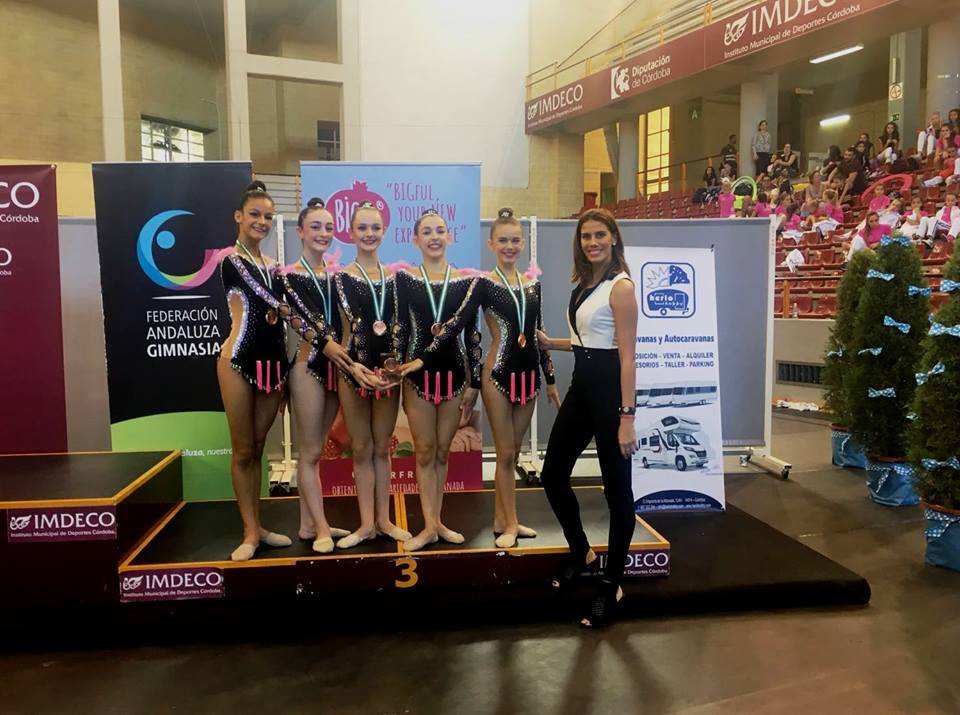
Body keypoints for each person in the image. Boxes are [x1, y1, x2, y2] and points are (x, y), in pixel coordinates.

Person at [412, 208, 559, 548]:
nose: (509, 246)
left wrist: (550, 378)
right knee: (504, 453)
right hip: (497, 374)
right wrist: (435, 363)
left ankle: (503, 519)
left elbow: (538, 334)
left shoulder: (533, 285)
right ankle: (509, 523)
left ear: (523, 243)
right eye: (502, 240)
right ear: (491, 244)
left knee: (514, 453)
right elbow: (462, 326)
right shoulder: (483, 284)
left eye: (515, 240)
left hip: (529, 377)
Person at [536, 208, 638, 629]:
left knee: (618, 492)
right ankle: (582, 552)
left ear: (613, 237)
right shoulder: (585, 284)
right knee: (552, 474)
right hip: (582, 389)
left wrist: (627, 416)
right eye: (585, 236)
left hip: (612, 396)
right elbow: (588, 341)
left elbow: (627, 356)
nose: (592, 242)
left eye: (599, 235)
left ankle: (612, 584)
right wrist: (551, 343)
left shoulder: (621, 287)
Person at [393, 209, 482, 551]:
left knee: (443, 452)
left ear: (450, 236)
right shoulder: (405, 280)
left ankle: (437, 521)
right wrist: (396, 366)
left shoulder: (466, 282)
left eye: (440, 231)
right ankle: (429, 525)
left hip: (455, 376)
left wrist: (474, 383)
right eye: (427, 232)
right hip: (417, 377)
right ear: (415, 239)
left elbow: (472, 336)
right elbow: (401, 328)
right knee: (425, 450)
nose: (434, 237)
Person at [217, 181, 292, 562]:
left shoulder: (274, 267)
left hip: (272, 364)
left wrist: (287, 373)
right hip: (237, 359)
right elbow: (276, 305)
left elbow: (284, 320)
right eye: (255, 215)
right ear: (239, 217)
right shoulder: (232, 261)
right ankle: (249, 531)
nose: (262, 222)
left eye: (267, 216)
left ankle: (259, 526)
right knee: (243, 449)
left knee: (260, 448)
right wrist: (291, 309)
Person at [278, 198, 356, 554]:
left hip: (335, 367)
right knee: (308, 451)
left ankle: (308, 524)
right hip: (307, 365)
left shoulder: (338, 277)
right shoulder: (287, 276)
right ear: (300, 232)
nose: (323, 233)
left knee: (318, 450)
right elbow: (299, 320)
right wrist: (330, 347)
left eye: (328, 227)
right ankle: (322, 527)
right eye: (315, 227)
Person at [333, 201, 411, 549]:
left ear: (384, 231)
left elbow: (403, 327)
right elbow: (337, 332)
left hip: (388, 376)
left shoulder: (397, 280)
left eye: (375, 228)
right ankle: (365, 524)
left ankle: (384, 520)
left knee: (383, 447)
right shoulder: (340, 278)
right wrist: (352, 368)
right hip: (353, 371)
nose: (369, 234)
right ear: (351, 232)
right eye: (362, 227)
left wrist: (396, 370)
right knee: (361, 447)